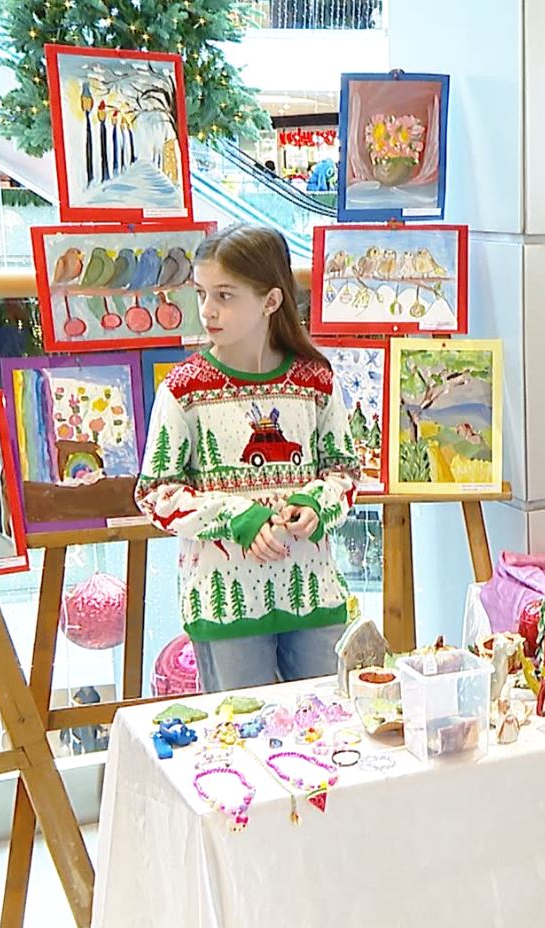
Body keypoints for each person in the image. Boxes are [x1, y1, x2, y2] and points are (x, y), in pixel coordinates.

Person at [134, 225, 360, 692]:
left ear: (271, 300)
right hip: (224, 611)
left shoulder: (316, 381)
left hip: (314, 598)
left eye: (225, 295)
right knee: (240, 729)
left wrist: (315, 505)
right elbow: (156, 493)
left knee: (330, 723)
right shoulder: (183, 389)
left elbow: (345, 473)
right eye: (201, 293)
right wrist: (238, 517)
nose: (207, 310)